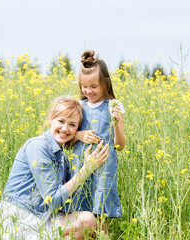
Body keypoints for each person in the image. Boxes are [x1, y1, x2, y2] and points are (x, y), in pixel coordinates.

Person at [0, 96, 109, 240]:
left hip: (42, 219)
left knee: (88, 220)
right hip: (19, 221)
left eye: (72, 125)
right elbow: (52, 199)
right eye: (61, 121)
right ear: (51, 119)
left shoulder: (61, 156)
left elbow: (68, 194)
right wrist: (86, 169)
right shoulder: (38, 146)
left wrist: (77, 137)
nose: (65, 128)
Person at [63, 50, 126, 222]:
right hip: (80, 165)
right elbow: (66, 140)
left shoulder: (114, 105)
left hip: (105, 167)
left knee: (100, 212)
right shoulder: (78, 106)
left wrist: (117, 124)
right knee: (79, 208)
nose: (88, 91)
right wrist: (79, 135)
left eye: (94, 87)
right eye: (84, 87)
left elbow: (120, 146)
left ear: (106, 83)